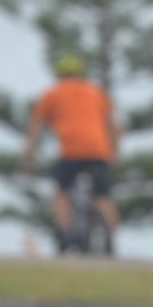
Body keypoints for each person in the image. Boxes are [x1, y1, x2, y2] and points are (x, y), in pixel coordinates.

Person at [21, 52, 121, 254]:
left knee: (61, 192)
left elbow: (36, 128)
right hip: (99, 152)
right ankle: (111, 237)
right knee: (102, 197)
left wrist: (28, 156)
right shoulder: (96, 92)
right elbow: (115, 126)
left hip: (70, 152)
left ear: (59, 75)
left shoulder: (52, 93)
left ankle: (66, 235)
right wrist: (114, 154)